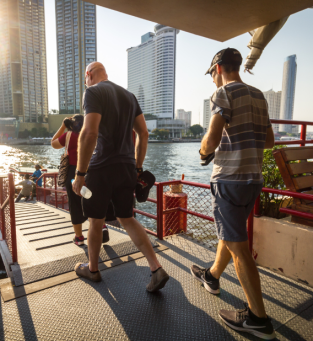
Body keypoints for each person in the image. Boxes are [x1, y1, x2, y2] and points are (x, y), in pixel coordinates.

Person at [190, 48, 275, 339]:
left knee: (239, 247)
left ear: (218, 68)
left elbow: (211, 139)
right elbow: (269, 141)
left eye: (212, 74)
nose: (212, 79)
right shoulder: (258, 95)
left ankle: (257, 319)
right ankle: (212, 277)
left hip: (229, 180)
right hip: (252, 180)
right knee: (231, 234)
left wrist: (203, 151)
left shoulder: (223, 93)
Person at [72, 62, 169, 292]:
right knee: (127, 218)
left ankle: (93, 269)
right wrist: (137, 167)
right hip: (126, 167)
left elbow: (90, 132)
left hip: (101, 168)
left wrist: (80, 174)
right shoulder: (129, 96)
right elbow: (143, 133)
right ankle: (156, 268)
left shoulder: (93, 91)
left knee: (96, 220)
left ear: (89, 75)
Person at [51, 115, 98, 246]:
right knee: (94, 201)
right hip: (92, 171)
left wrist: (63, 126)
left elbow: (53, 143)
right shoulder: (93, 133)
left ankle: (79, 237)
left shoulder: (68, 135)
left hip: (73, 172)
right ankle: (101, 228)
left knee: (75, 204)